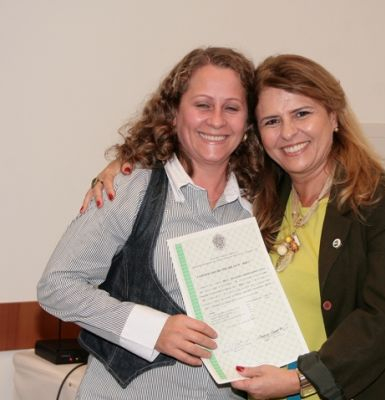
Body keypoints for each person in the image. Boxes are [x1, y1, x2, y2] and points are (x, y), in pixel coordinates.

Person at [82, 54, 385, 400]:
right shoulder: (262, 194)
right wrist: (125, 165)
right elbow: (193, 147)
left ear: (334, 116)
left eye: (302, 114)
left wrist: (301, 380)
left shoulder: (382, 202)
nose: (288, 132)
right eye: (272, 121)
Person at [37, 47, 262, 399]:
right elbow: (57, 286)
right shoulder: (131, 187)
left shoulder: (259, 204)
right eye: (202, 105)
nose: (217, 120)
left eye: (231, 108)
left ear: (248, 124)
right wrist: (153, 329)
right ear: (173, 113)